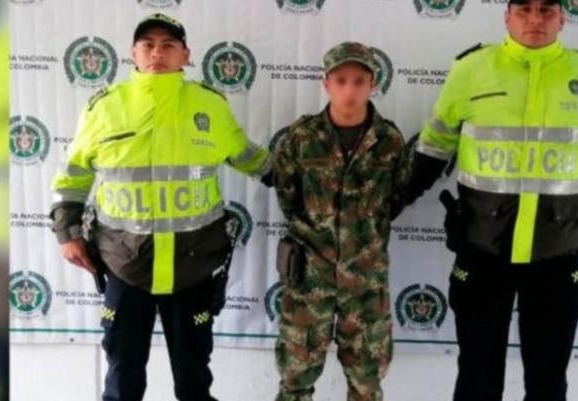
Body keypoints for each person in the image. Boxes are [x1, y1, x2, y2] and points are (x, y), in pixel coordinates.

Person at [49, 13, 271, 401]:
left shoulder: (210, 106)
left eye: (168, 45)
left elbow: (248, 156)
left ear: (186, 55)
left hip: (193, 266)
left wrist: (299, 176)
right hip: (124, 263)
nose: (157, 52)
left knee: (193, 376)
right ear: (133, 53)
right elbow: (73, 175)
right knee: (123, 375)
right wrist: (67, 234)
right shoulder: (104, 108)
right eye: (148, 44)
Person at [408, 1, 578, 400]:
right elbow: (435, 145)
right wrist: (392, 202)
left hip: (556, 255)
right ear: (506, 16)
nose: (535, 19)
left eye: (545, 9)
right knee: (477, 379)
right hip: (482, 248)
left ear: (562, 16)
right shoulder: (471, 69)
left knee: (548, 381)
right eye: (523, 9)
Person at [272, 41, 411, 401]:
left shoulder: (389, 141)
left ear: (373, 83)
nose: (350, 89)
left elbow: (394, 200)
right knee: (295, 379)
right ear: (326, 83)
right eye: (341, 80)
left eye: (359, 80)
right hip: (308, 277)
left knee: (367, 382)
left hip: (365, 281)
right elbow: (288, 197)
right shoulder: (301, 138)